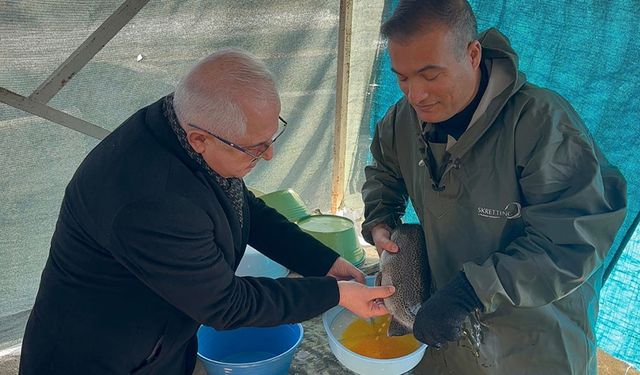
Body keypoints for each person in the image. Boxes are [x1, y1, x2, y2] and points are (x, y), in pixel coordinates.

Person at [19, 48, 395, 375]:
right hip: (102, 358)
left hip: (158, 339)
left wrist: (323, 262)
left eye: (271, 137)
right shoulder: (152, 200)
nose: (269, 155)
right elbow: (226, 304)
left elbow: (245, 209)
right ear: (200, 138)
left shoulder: (183, 126)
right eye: (254, 148)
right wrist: (334, 294)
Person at [361, 1, 627, 374]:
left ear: (472, 55)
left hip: (535, 338)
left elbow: (572, 241)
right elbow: (384, 171)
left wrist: (472, 289)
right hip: (446, 327)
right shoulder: (402, 120)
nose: (415, 95)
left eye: (430, 74)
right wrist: (380, 219)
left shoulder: (542, 125)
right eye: (402, 77)